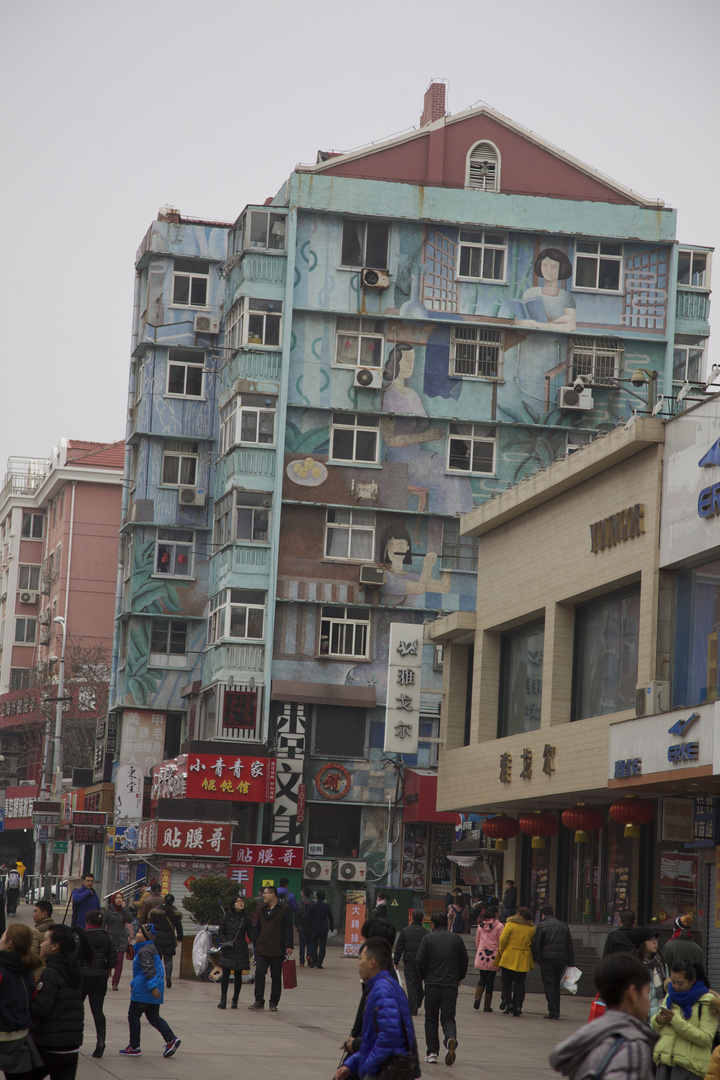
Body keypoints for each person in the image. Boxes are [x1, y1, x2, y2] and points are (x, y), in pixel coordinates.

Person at [550, 953, 657, 1080]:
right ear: (633, 993)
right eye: (647, 992)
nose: (649, 1001)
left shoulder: (591, 1036)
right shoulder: (633, 1047)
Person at [335, 938, 417, 1080]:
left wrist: (368, 1067)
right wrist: (351, 1065)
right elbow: (372, 1040)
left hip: (385, 1071)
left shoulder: (383, 990)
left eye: (361, 958)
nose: (358, 963)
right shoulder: (379, 987)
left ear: (372, 962)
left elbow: (389, 1036)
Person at [31, 923, 92, 1080]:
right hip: (70, 1047)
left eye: (45, 940)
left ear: (55, 946)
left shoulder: (51, 973)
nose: (42, 943)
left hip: (49, 1047)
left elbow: (40, 1010)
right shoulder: (72, 970)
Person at [651, 958, 720, 1080]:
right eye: (673, 981)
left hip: (690, 1067)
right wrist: (659, 1020)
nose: (676, 986)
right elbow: (657, 1029)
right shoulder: (670, 996)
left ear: (692, 980)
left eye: (680, 983)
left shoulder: (708, 1002)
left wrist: (676, 1021)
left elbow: (706, 1038)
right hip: (664, 1063)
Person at [415, 909, 468, 1065]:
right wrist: (459, 977)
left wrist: (424, 976)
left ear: (432, 924)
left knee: (431, 1019)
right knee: (448, 1017)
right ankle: (450, 1039)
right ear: (447, 923)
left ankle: (432, 1052)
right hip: (450, 985)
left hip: (432, 984)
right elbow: (464, 960)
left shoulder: (427, 939)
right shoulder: (456, 939)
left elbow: (419, 960)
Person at [120, 923, 180, 1058]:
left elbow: (148, 970)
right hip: (148, 986)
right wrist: (133, 983)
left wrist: (152, 987)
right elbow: (140, 972)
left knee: (133, 1015)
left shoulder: (145, 950)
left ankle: (134, 1046)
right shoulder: (148, 948)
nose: (137, 934)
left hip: (145, 989)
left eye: (140, 933)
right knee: (153, 1016)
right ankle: (171, 1038)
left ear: (147, 937)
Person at [0, 923, 43, 1080]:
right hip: (21, 1038)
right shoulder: (28, 970)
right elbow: (32, 998)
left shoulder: (2, 969)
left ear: (9, 942)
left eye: (3, 936)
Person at [248, 885, 293, 1012]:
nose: (263, 895)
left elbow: (289, 928)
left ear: (273, 894)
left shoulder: (284, 908)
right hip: (262, 947)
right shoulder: (262, 909)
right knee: (260, 973)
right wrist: (255, 939)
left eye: (266, 893)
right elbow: (257, 926)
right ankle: (258, 1000)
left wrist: (289, 945)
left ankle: (273, 1002)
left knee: (276, 976)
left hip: (277, 948)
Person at [81, 910, 117, 1058]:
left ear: (88, 922)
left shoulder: (81, 936)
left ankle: (73, 1041)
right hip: (100, 977)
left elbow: (73, 957)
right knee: (98, 1011)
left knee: (76, 1010)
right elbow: (113, 961)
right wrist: (104, 967)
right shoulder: (108, 937)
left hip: (82, 977)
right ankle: (100, 1042)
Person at [532, 905, 575, 1021]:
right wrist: (571, 962)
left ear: (543, 915)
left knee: (549, 984)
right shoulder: (564, 925)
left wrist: (537, 958)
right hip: (561, 959)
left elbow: (538, 944)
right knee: (556, 984)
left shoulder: (542, 926)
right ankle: (556, 1010)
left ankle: (553, 1011)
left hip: (547, 959)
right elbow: (569, 945)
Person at [516, 248, 577, 330]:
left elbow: (570, 326)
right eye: (544, 265)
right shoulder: (530, 293)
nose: (548, 270)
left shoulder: (566, 297)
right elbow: (519, 321)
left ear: (561, 268)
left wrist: (541, 325)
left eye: (553, 267)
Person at [494, 905, 535, 1017]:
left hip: (509, 955)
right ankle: (518, 1006)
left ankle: (509, 1003)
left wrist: (502, 951)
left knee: (506, 982)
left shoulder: (510, 924)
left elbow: (502, 940)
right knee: (520, 984)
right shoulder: (531, 928)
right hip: (524, 957)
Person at [216, 895, 250, 1010]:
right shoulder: (227, 916)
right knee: (225, 974)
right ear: (233, 904)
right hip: (228, 948)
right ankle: (223, 999)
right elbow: (221, 931)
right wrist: (225, 942)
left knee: (238, 975)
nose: (241, 903)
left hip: (241, 948)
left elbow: (251, 933)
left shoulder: (245, 917)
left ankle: (235, 999)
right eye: (238, 901)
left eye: (242, 901)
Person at [394, 909, 430, 1016]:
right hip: (422, 963)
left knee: (411, 984)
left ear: (412, 918)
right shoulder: (426, 933)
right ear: (422, 919)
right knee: (418, 983)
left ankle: (413, 1007)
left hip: (409, 961)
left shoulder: (405, 931)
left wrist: (396, 960)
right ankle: (417, 1001)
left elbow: (399, 947)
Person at [148, 893, 183, 989]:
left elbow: (150, 925)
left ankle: (159, 977)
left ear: (163, 901)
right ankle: (168, 975)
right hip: (170, 940)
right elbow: (179, 927)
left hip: (157, 939)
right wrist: (180, 938)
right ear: (173, 902)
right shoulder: (175, 913)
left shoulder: (155, 912)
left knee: (157, 960)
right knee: (168, 960)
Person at [473, 904, 503, 1013]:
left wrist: (479, 950)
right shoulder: (499, 926)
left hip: (481, 954)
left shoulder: (480, 925)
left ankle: (477, 997)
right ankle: (487, 1006)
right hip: (493, 956)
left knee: (482, 978)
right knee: (490, 981)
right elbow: (501, 941)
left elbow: (477, 940)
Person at [102, 891, 134, 990]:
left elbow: (130, 920)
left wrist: (125, 908)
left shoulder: (124, 910)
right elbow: (103, 924)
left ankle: (115, 983)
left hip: (121, 940)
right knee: (108, 962)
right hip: (110, 939)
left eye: (120, 898)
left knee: (119, 963)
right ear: (113, 899)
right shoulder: (108, 910)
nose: (119, 900)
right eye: (117, 898)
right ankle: (104, 981)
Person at [634, 929, 667, 1020]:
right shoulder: (633, 966)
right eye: (650, 940)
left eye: (656, 939)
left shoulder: (661, 965)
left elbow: (668, 992)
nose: (655, 943)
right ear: (641, 944)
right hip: (639, 1017)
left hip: (658, 1017)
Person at [307, 888, 334, 969]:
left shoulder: (312, 906)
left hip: (314, 927)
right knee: (322, 946)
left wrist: (309, 926)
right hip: (323, 928)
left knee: (314, 945)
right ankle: (319, 963)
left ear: (317, 897)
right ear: (324, 898)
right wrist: (331, 927)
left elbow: (309, 917)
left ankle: (313, 962)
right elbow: (330, 917)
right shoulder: (327, 906)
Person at [32, 900, 55, 970]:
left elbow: (33, 956)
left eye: (36, 911)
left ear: (44, 914)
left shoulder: (36, 932)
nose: (33, 914)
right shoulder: (57, 929)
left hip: (39, 972)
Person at [295, 886, 313, 967]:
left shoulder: (299, 903)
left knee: (302, 943)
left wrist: (296, 924)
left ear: (304, 893)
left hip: (301, 926)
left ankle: (301, 962)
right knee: (309, 942)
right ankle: (309, 956)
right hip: (310, 926)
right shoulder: (313, 903)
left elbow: (297, 915)